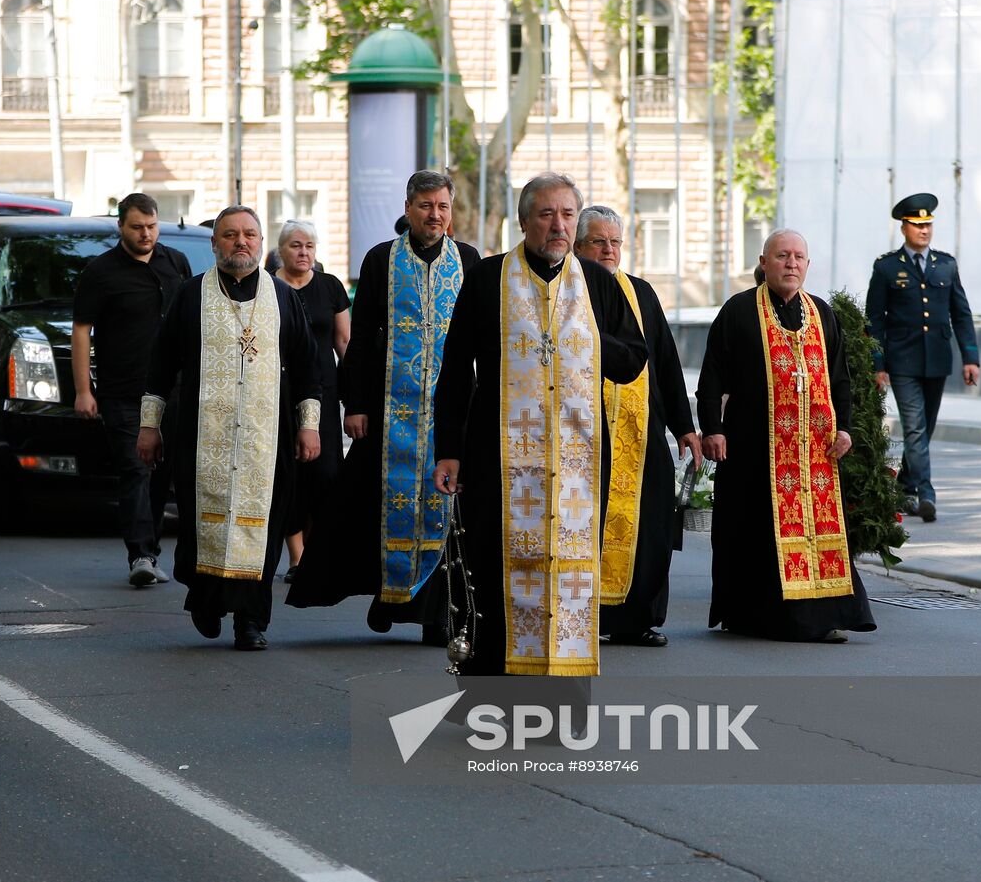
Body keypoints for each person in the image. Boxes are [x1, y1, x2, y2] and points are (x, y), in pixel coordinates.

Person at [432, 172, 648, 676]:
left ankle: (562, 701)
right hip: (498, 459)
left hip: (579, 464)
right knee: (495, 571)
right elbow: (456, 369)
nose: (559, 226)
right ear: (525, 220)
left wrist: (591, 340)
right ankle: (492, 697)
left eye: (568, 215)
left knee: (570, 579)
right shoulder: (488, 279)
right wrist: (449, 450)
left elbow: (633, 359)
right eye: (547, 214)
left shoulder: (598, 282)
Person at [288, 170, 481, 645]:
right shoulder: (382, 260)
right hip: (389, 409)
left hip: (450, 413)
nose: (434, 215)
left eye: (442, 206)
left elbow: (481, 338)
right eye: (424, 206)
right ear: (409, 208)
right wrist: (354, 403)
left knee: (448, 509)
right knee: (371, 506)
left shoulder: (470, 260)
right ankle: (387, 596)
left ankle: (438, 613)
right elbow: (362, 337)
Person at [137, 205, 322, 651]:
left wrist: (309, 426)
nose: (241, 242)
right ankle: (206, 601)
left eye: (250, 235)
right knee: (204, 523)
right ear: (215, 243)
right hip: (203, 436)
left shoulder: (282, 297)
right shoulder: (190, 295)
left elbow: (306, 366)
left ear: (261, 243)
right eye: (231, 235)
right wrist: (149, 425)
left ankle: (251, 622)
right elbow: (161, 364)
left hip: (267, 437)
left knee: (264, 526)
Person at [697, 229, 876, 643]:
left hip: (814, 454)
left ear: (808, 265)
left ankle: (821, 615)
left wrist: (845, 427)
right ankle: (755, 616)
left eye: (798, 257)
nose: (791, 263)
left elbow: (840, 379)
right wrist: (713, 429)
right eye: (782, 256)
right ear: (764, 262)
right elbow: (712, 376)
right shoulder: (739, 310)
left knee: (816, 532)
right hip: (752, 449)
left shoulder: (822, 314)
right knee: (753, 532)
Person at [572, 206, 700, 647]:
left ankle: (636, 619)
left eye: (615, 242)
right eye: (598, 242)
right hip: (583, 438)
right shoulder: (568, 289)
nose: (608, 250)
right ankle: (583, 618)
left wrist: (685, 426)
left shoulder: (641, 292)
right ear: (578, 245)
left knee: (651, 527)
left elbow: (666, 361)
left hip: (641, 434)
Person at [73, 193, 194, 587]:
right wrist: (83, 391)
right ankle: (140, 554)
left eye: (152, 226)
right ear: (121, 227)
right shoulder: (101, 272)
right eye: (137, 227)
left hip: (174, 388)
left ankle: (151, 550)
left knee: (163, 474)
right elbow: (81, 332)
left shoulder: (175, 262)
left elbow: (190, 320)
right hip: (123, 391)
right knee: (135, 468)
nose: (146, 234)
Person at [865, 192, 980, 523]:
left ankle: (903, 488)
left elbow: (961, 313)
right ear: (904, 229)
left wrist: (971, 358)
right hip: (902, 362)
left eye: (928, 224)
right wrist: (878, 363)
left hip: (937, 360)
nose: (924, 230)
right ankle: (926, 493)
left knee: (924, 429)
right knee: (915, 428)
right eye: (917, 225)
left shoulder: (946, 264)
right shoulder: (887, 267)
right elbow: (875, 319)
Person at [271, 219, 351, 582]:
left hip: (325, 393)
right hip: (279, 395)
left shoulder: (330, 286)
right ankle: (297, 557)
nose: (303, 253)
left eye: (309, 246)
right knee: (289, 476)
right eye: (296, 246)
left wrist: (356, 397)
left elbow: (344, 343)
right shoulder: (267, 287)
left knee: (326, 474)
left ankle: (321, 553)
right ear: (281, 250)